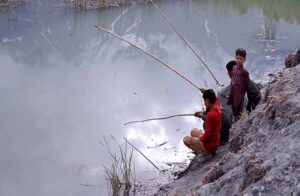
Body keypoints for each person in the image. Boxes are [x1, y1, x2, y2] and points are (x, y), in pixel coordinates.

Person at [183, 89, 222, 159]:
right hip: (215, 140)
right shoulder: (217, 106)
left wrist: (199, 138)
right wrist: (206, 91)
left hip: (210, 146)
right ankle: (205, 148)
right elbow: (215, 98)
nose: (204, 102)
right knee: (193, 131)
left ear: (207, 100)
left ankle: (206, 153)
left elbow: (207, 135)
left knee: (186, 139)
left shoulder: (210, 115)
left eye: (204, 100)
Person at [227, 48, 250, 122]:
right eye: (238, 58)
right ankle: (233, 120)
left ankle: (237, 124)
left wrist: (242, 93)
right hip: (233, 92)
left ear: (244, 59)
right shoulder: (234, 68)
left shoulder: (245, 72)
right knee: (233, 107)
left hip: (239, 94)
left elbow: (246, 85)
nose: (239, 60)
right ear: (235, 58)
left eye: (241, 58)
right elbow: (232, 78)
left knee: (238, 109)